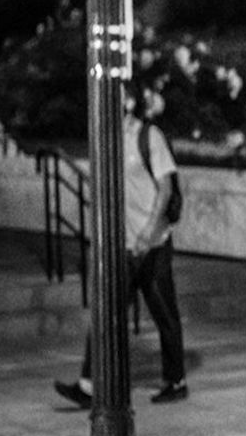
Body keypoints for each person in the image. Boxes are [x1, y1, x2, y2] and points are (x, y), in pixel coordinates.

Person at [55, 83, 188, 407]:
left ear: (127, 103)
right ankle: (89, 385)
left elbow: (166, 189)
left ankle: (176, 380)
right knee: (106, 313)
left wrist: (148, 233)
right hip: (122, 246)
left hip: (153, 244)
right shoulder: (108, 139)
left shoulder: (149, 137)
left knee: (164, 314)